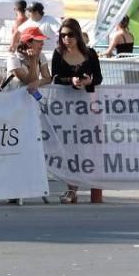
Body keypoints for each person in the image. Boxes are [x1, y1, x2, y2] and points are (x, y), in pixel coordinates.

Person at [51, 18, 103, 205]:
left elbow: (99, 77)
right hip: (64, 106)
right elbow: (55, 78)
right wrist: (71, 80)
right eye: (63, 35)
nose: (67, 39)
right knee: (68, 147)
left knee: (85, 146)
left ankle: (87, 184)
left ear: (78, 35)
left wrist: (89, 81)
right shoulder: (58, 53)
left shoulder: (90, 54)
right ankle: (71, 188)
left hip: (87, 104)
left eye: (71, 35)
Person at [3, 23, 52, 95]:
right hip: (12, 100)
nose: (42, 43)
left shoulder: (41, 56)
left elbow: (48, 79)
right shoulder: (13, 58)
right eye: (39, 40)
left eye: (42, 40)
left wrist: (38, 82)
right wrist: (33, 60)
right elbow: (28, 81)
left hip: (29, 99)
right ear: (28, 43)